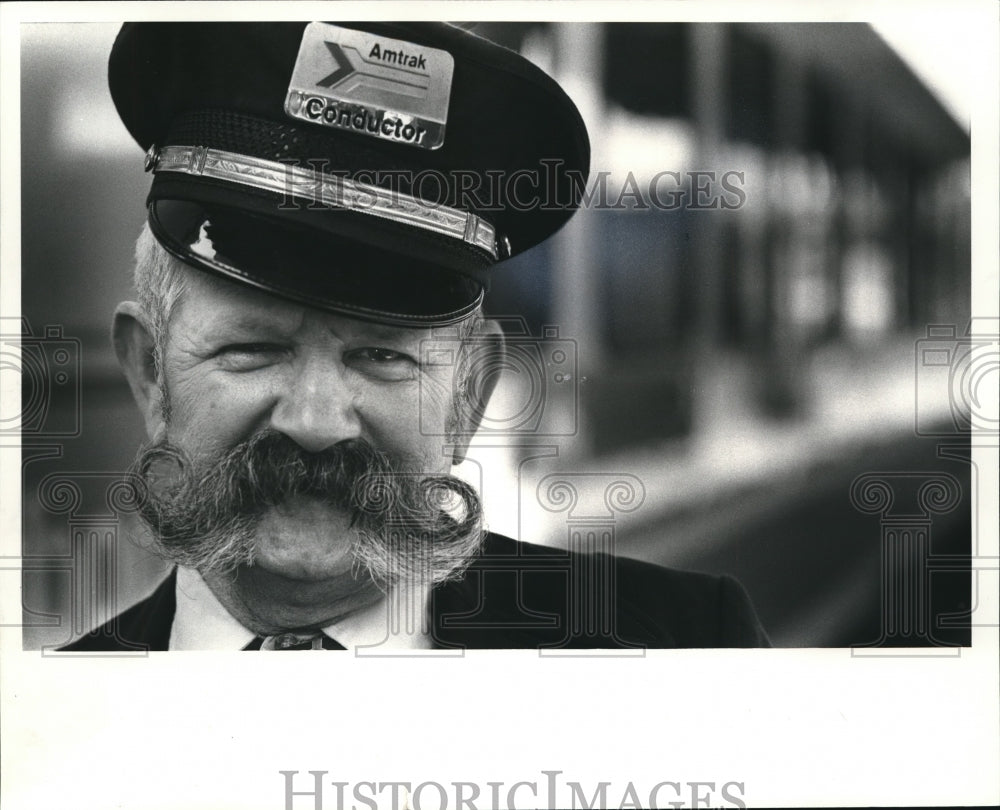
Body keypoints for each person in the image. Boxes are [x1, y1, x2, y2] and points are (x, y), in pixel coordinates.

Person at [62, 21, 769, 652]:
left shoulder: (691, 647)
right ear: (150, 372)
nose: (315, 423)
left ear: (470, 396)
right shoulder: (38, 740)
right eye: (253, 350)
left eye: (380, 355)